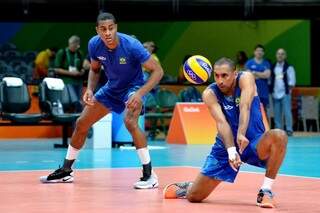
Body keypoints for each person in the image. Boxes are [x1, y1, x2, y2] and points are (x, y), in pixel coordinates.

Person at [40, 12, 164, 189]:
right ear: (97, 30)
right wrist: (90, 88)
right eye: (103, 29)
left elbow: (158, 71)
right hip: (111, 89)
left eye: (111, 28)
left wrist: (139, 94)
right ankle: (66, 171)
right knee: (82, 123)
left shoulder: (132, 45)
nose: (107, 33)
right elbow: (95, 69)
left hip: (133, 88)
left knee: (130, 122)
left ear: (116, 28)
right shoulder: (94, 44)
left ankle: (149, 175)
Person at [164, 58, 287, 208]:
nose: (220, 80)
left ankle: (265, 191)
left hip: (254, 139)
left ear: (234, 74)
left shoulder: (245, 78)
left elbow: (245, 106)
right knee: (194, 196)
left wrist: (241, 133)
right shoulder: (210, 93)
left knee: (279, 136)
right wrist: (231, 150)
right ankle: (190, 187)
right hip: (225, 144)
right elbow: (222, 123)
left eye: (224, 75)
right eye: (216, 75)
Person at [54, 35, 85, 112]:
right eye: (74, 45)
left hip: (78, 82)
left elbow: (83, 67)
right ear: (70, 44)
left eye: (77, 45)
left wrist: (82, 72)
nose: (76, 47)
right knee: (73, 101)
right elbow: (56, 69)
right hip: (66, 82)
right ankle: (68, 120)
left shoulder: (79, 53)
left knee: (78, 102)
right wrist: (71, 73)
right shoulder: (62, 53)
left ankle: (77, 121)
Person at [270, 48, 296, 136]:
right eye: (278, 54)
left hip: (285, 93)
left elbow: (292, 82)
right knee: (277, 113)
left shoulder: (289, 67)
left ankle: (289, 129)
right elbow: (270, 80)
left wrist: (288, 91)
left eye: (282, 54)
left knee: (287, 112)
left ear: (285, 56)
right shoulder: (273, 67)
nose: (280, 55)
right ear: (276, 55)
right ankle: (278, 130)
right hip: (275, 93)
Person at [245, 44, 271, 110]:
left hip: (264, 92)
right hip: (252, 92)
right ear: (254, 52)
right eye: (257, 50)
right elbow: (249, 76)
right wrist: (262, 74)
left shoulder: (266, 63)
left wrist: (255, 73)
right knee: (253, 111)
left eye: (261, 51)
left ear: (263, 53)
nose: (259, 52)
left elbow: (267, 75)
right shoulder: (249, 63)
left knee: (264, 111)